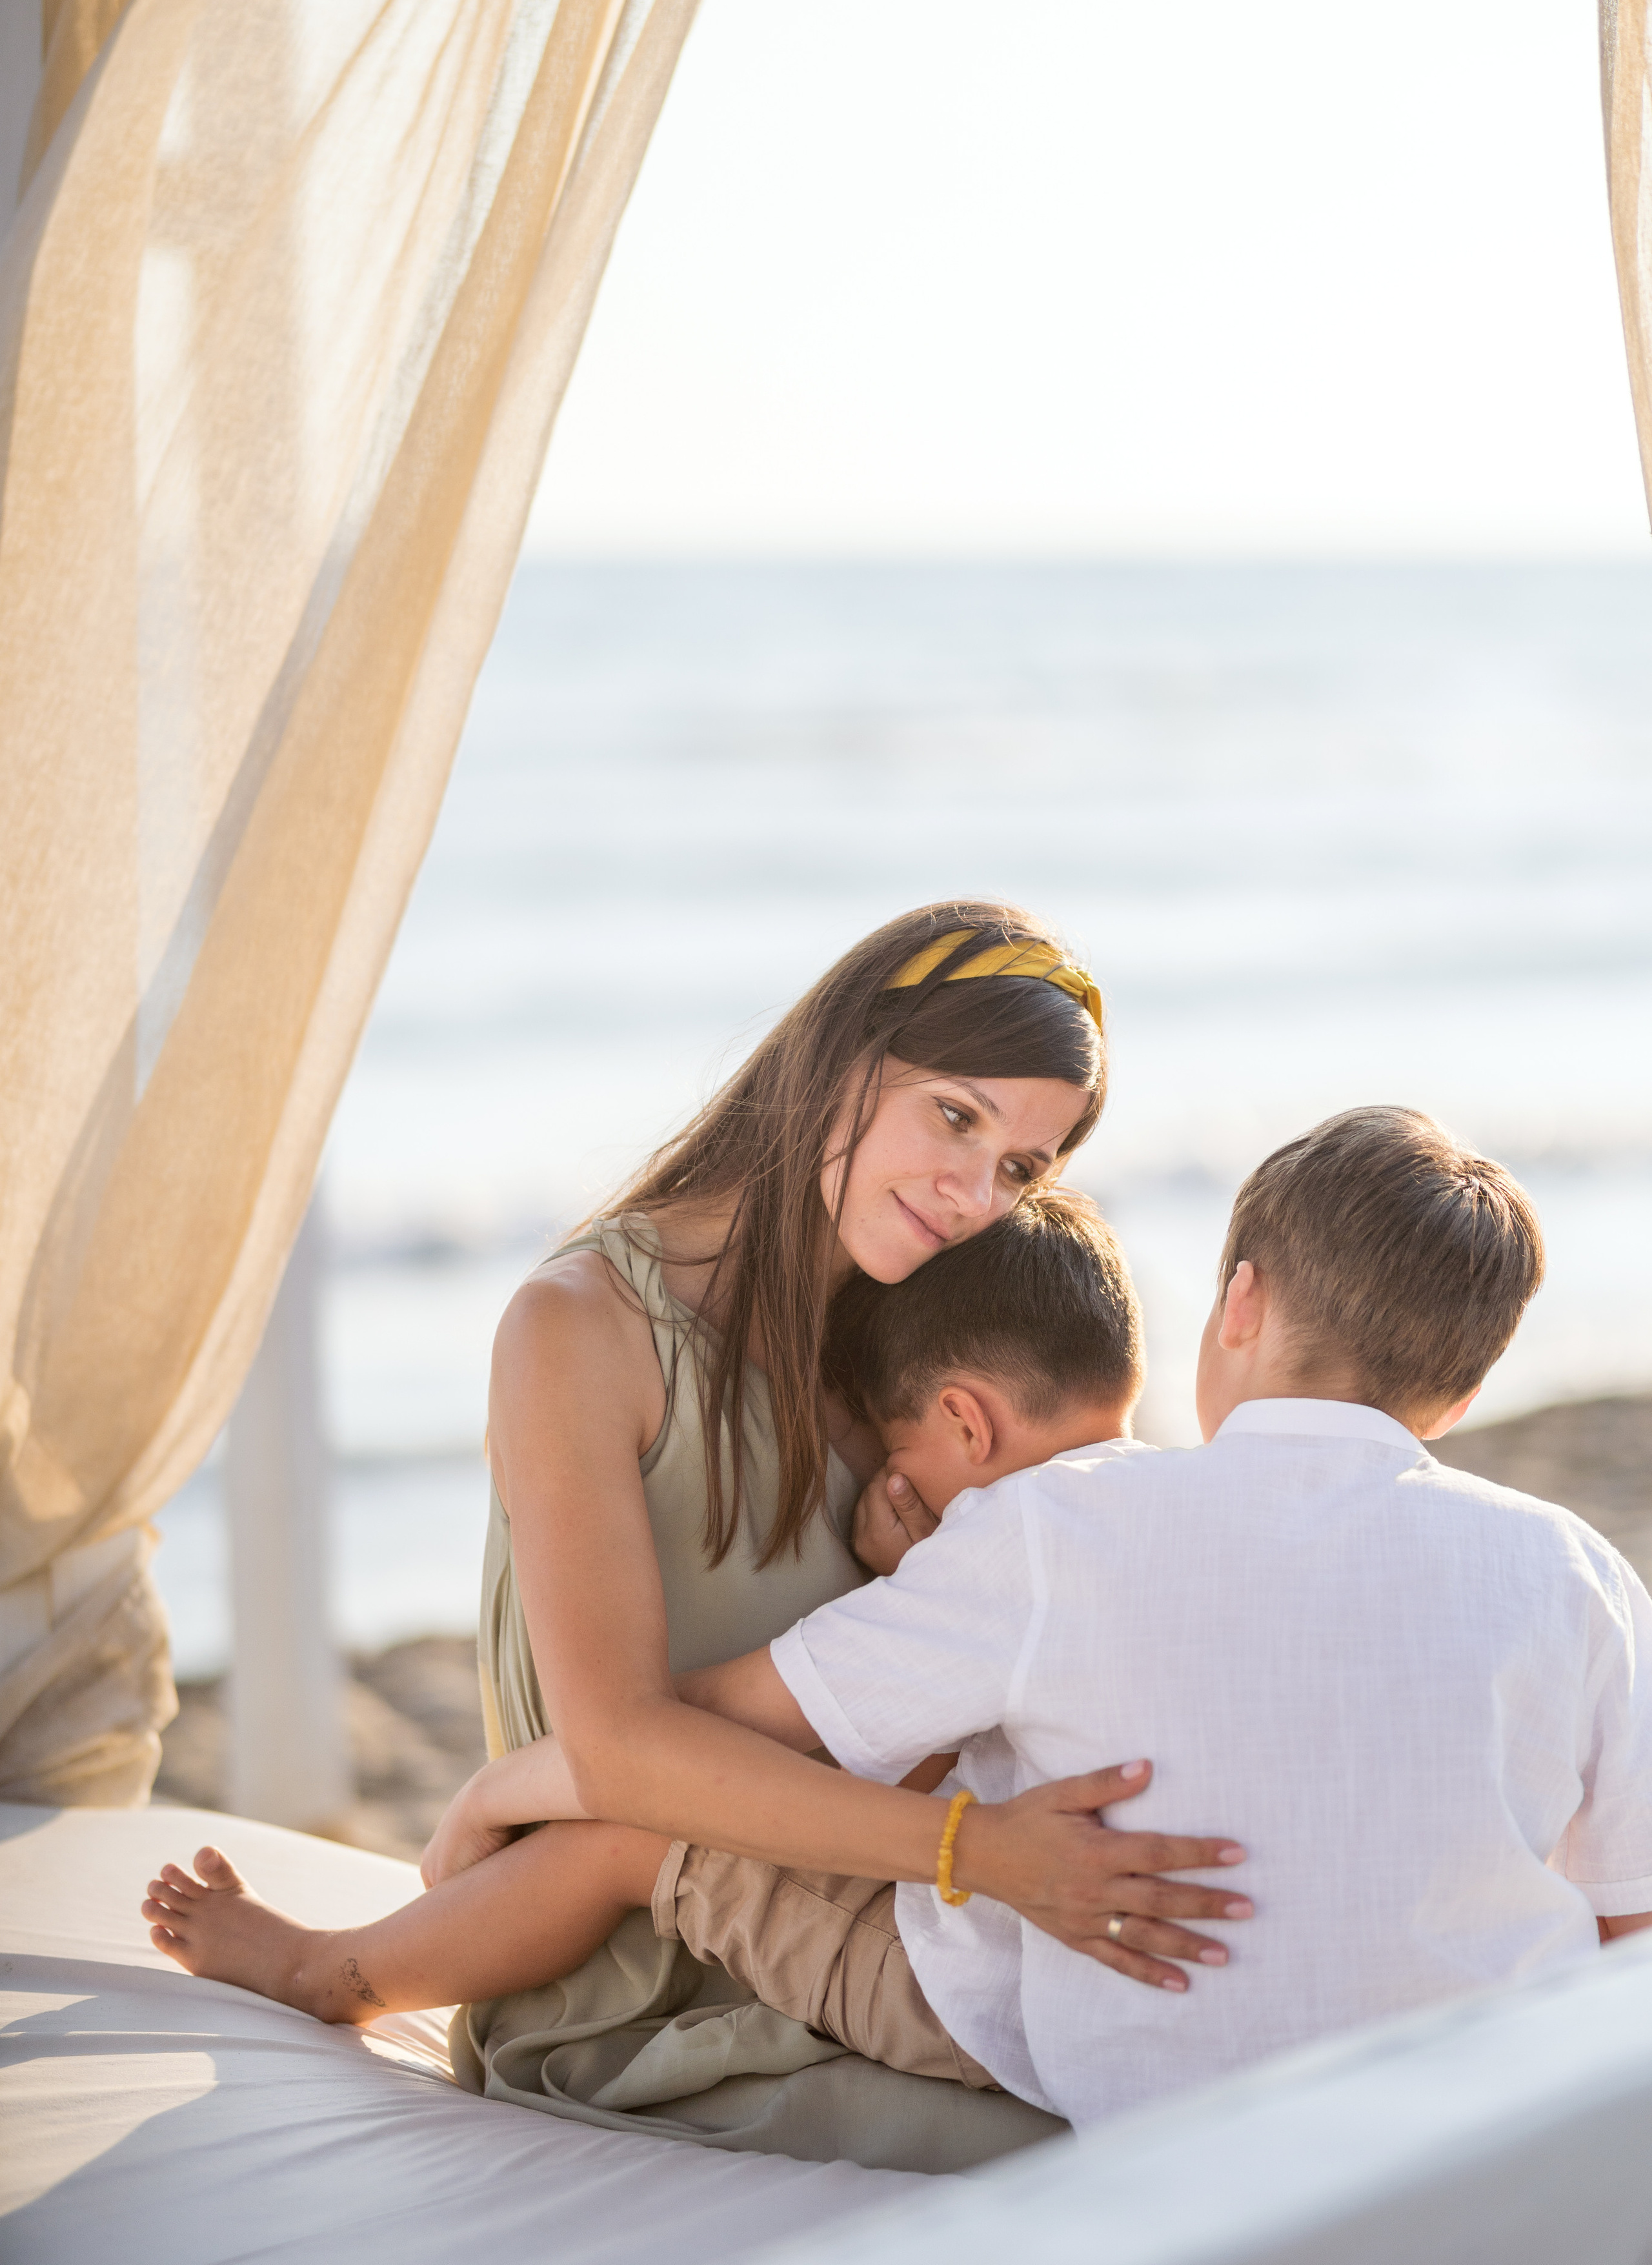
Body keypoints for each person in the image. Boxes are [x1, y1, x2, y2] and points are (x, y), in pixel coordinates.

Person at [148, 1107, 1652, 2125]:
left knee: (633, 1835)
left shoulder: (1062, 1527)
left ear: (1239, 1303)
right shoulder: (1573, 1573)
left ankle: (330, 1973)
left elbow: (702, 1736)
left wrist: (502, 1789)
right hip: (1453, 2115)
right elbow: (1619, 1927)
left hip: (1115, 2064)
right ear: (1462, 1391)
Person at [145, 905, 1250, 2170]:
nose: (971, 1195)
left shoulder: (919, 1348)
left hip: (883, 1934)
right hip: (642, 1967)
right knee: (1123, 2163)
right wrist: (975, 1855)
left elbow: (951, 1686)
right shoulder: (579, 1328)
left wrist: (908, 1578)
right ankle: (328, 1972)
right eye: (955, 1116)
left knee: (1179, 2116)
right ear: (839, 1058)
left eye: (1019, 1167)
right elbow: (619, 1751)